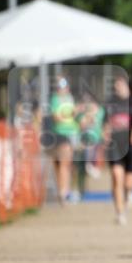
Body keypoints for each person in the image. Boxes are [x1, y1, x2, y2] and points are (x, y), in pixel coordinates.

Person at [103, 76, 132, 225]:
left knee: (128, 183)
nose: (118, 86)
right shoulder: (110, 103)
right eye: (116, 84)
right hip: (115, 145)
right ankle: (120, 213)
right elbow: (104, 123)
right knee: (117, 176)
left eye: (120, 83)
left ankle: (129, 192)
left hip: (131, 145)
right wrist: (105, 133)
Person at [49, 77, 79, 205]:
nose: (62, 90)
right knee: (63, 163)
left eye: (64, 87)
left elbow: (73, 114)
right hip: (61, 133)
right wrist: (69, 115)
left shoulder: (70, 98)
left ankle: (65, 190)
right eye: (60, 87)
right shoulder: (55, 99)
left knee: (67, 164)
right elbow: (56, 117)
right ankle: (63, 192)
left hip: (72, 132)